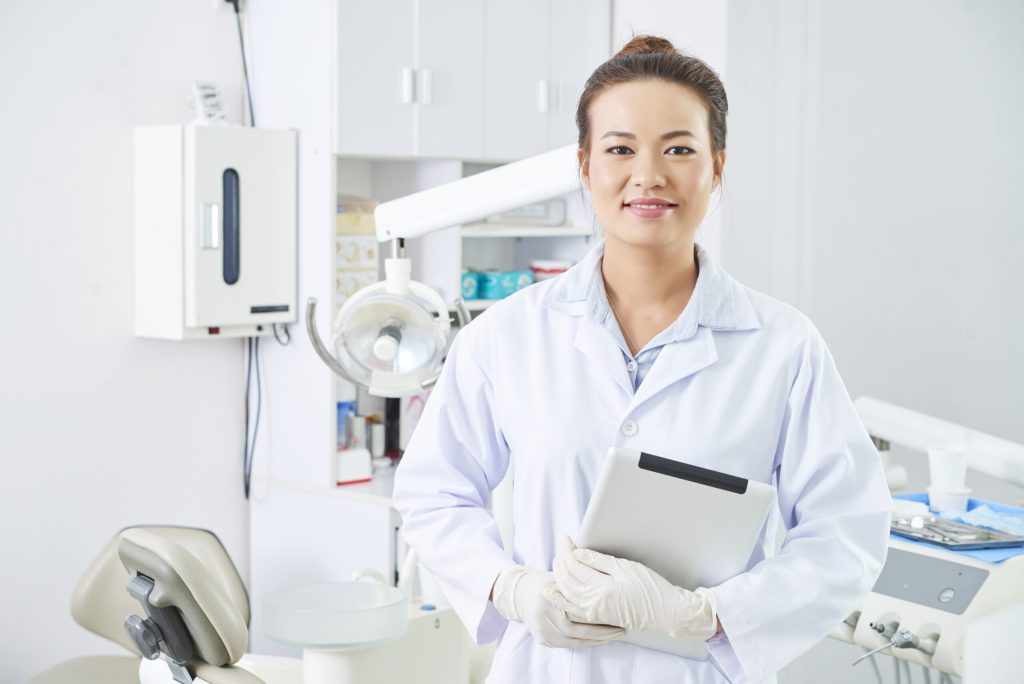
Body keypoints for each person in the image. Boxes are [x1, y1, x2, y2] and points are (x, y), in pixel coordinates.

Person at [392, 35, 891, 684]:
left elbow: (846, 534)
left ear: (716, 166)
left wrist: (707, 613)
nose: (648, 175)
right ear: (584, 165)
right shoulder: (507, 335)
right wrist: (510, 589)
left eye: (679, 149)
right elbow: (433, 495)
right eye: (620, 149)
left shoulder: (782, 346)